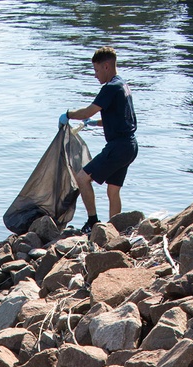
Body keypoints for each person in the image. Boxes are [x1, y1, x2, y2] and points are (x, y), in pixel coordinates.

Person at [59, 45, 138, 234]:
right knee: (113, 191)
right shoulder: (122, 85)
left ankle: (92, 222)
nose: (95, 75)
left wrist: (68, 114)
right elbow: (119, 117)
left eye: (96, 70)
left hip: (118, 147)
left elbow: (87, 110)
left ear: (106, 67)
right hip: (130, 146)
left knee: (82, 178)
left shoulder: (110, 88)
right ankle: (114, 230)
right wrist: (95, 123)